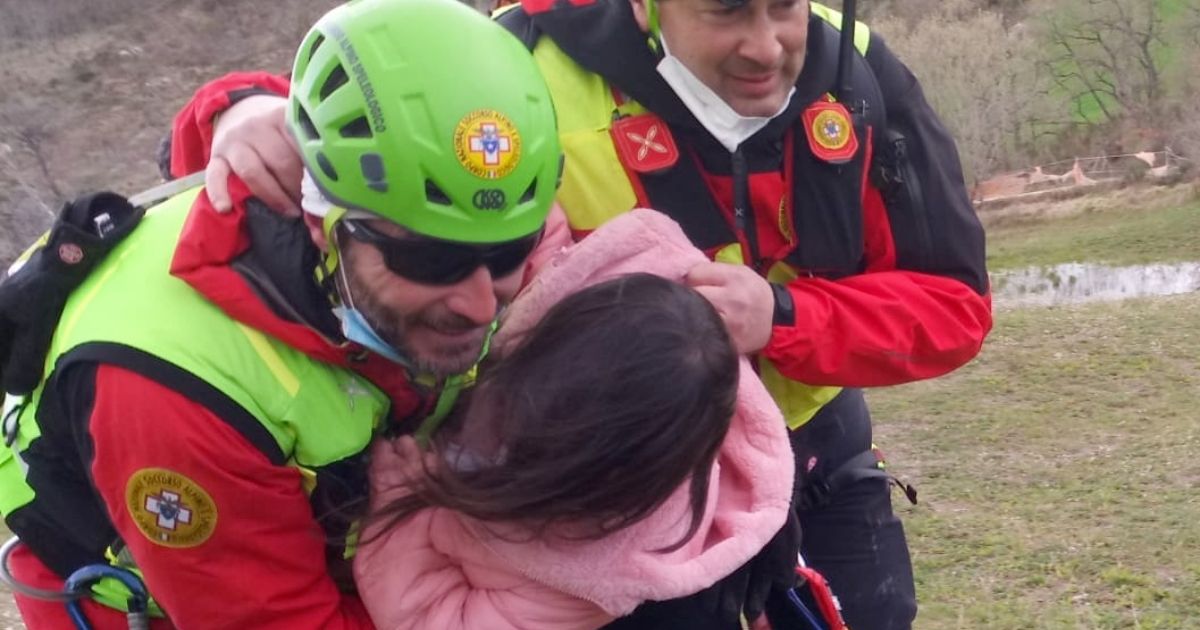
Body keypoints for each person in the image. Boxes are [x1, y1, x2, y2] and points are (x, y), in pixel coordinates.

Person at [166, 1, 993, 628]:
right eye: (726, 8)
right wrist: (238, 110)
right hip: (610, 483)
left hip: (811, 443)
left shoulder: (860, 75)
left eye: (785, 4)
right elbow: (366, 102)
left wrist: (783, 316)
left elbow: (955, 305)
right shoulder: (535, 51)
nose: (767, 44)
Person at [0, 0, 565, 627]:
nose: (481, 303)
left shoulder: (396, 220)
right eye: (429, 261)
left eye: (511, 249)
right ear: (324, 227)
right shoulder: (178, 390)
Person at [354, 211, 795, 629]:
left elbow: (429, 618)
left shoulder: (593, 572)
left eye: (537, 446)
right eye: (516, 403)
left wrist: (397, 503)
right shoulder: (576, 291)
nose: (505, 427)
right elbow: (535, 229)